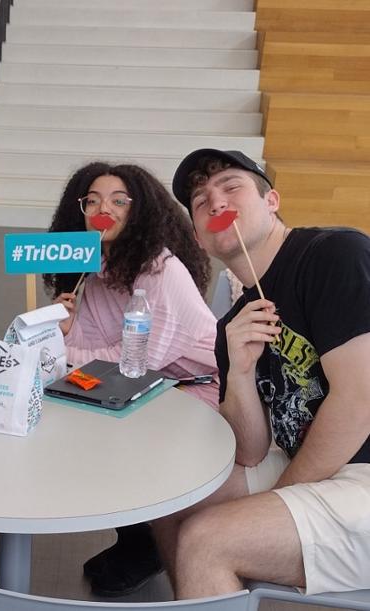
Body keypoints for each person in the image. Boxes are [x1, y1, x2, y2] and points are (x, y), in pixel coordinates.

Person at [149, 148, 370, 598]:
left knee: (206, 540)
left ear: (271, 202)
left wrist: (280, 495)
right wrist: (243, 371)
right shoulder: (233, 323)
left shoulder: (334, 255)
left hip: (362, 472)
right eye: (200, 201)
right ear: (198, 233)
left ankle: (210, 570)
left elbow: (360, 401)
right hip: (311, 464)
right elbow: (249, 451)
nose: (215, 202)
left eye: (231, 187)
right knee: (170, 501)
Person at [44, 161, 219, 597]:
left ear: (139, 212)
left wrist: (60, 352)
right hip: (145, 392)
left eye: (119, 200)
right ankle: (136, 540)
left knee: (115, 438)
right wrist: (60, 329)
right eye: (94, 201)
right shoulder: (94, 271)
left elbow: (132, 362)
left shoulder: (163, 272)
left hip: (197, 394)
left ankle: (148, 545)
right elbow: (85, 351)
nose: (105, 209)